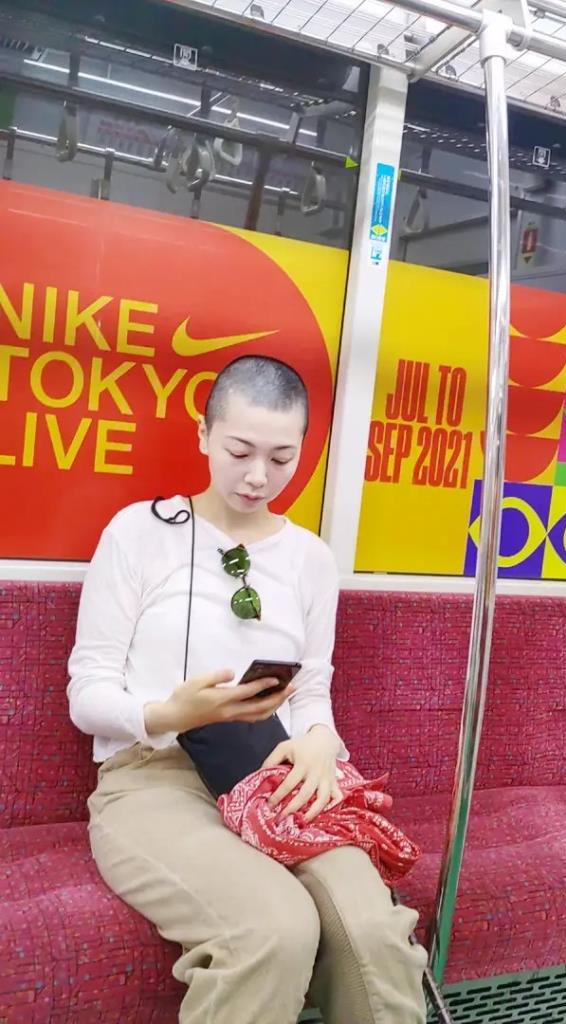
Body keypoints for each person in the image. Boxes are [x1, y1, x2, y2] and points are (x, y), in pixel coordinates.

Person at [67, 355, 428, 1024]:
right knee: (272, 931)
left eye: (281, 458)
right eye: (239, 451)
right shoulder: (138, 534)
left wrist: (320, 742)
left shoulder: (311, 559)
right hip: (152, 778)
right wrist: (168, 712)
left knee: (374, 932)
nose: (258, 476)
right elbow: (86, 693)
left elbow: (312, 690)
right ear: (204, 435)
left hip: (276, 774)